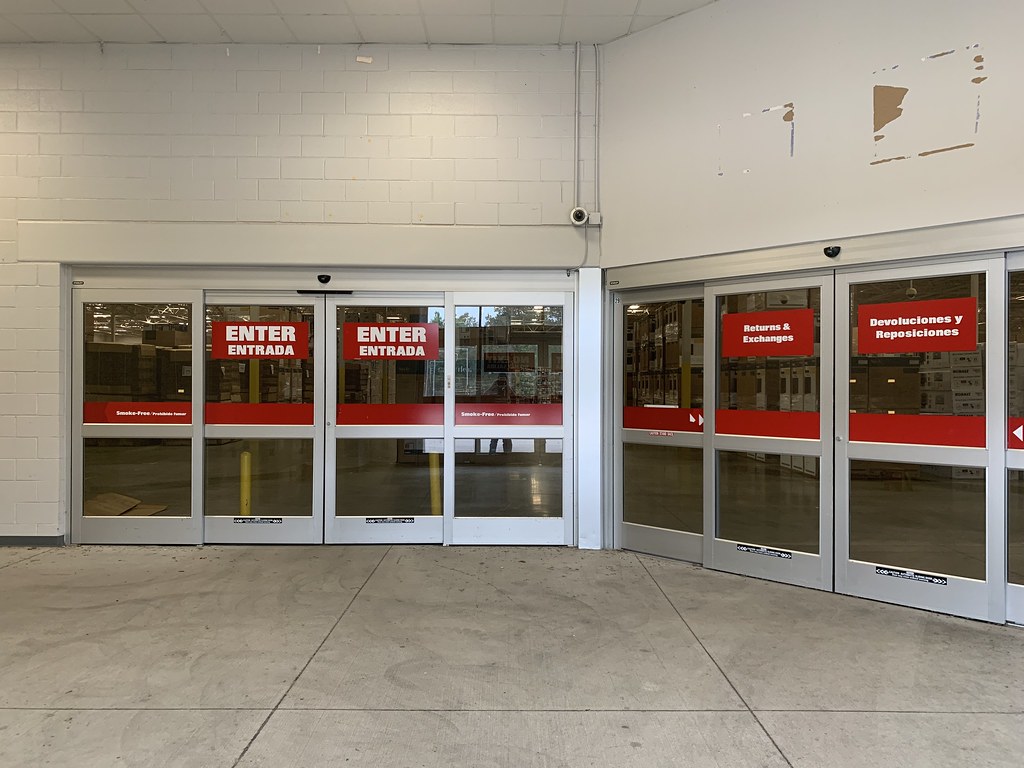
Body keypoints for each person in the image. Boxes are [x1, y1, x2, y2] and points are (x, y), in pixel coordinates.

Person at [483, 374, 514, 454]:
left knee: (506, 438)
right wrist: (495, 387)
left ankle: (507, 454)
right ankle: (492, 453)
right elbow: (486, 394)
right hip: (496, 414)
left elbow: (513, 397)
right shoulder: (494, 386)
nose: (501, 382)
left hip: (506, 415)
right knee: (495, 436)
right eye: (500, 380)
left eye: (503, 380)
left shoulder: (507, 388)